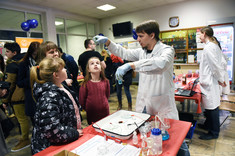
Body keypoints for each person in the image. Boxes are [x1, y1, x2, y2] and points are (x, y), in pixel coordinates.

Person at [94, 20, 190, 155]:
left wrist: (132, 65)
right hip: (144, 104)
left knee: (176, 140)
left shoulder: (167, 50)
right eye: (137, 36)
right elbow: (124, 53)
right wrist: (108, 42)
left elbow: (160, 64)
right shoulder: (142, 52)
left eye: (141, 36)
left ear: (152, 35)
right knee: (150, 137)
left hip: (162, 105)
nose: (138, 39)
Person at [30, 57, 83, 154]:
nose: (66, 69)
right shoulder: (49, 96)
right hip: (50, 148)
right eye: (63, 68)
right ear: (56, 75)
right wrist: (73, 133)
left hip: (64, 140)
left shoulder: (61, 86)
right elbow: (52, 129)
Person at [198, 26, 226, 140]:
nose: (199, 36)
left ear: (204, 34)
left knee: (212, 107)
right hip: (209, 81)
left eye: (200, 34)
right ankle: (207, 125)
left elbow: (215, 66)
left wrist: (220, 79)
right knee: (209, 107)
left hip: (210, 81)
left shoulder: (209, 48)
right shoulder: (212, 46)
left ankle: (214, 132)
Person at [2, 42, 30, 152]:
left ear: (14, 52)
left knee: (22, 119)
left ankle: (24, 139)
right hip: (28, 93)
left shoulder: (12, 65)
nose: (6, 54)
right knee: (27, 118)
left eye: (8, 51)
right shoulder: (27, 60)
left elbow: (9, 84)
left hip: (17, 96)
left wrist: (5, 100)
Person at [79, 57, 110, 125]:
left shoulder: (106, 81)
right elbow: (82, 100)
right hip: (91, 112)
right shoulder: (85, 84)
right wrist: (88, 107)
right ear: (88, 69)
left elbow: (107, 95)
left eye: (97, 63)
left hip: (105, 111)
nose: (95, 65)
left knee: (106, 126)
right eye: (92, 63)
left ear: (101, 68)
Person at [17, 41, 40, 126]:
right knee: (36, 123)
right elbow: (19, 83)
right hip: (31, 96)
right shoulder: (24, 63)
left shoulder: (44, 62)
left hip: (43, 94)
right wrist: (32, 78)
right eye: (35, 52)